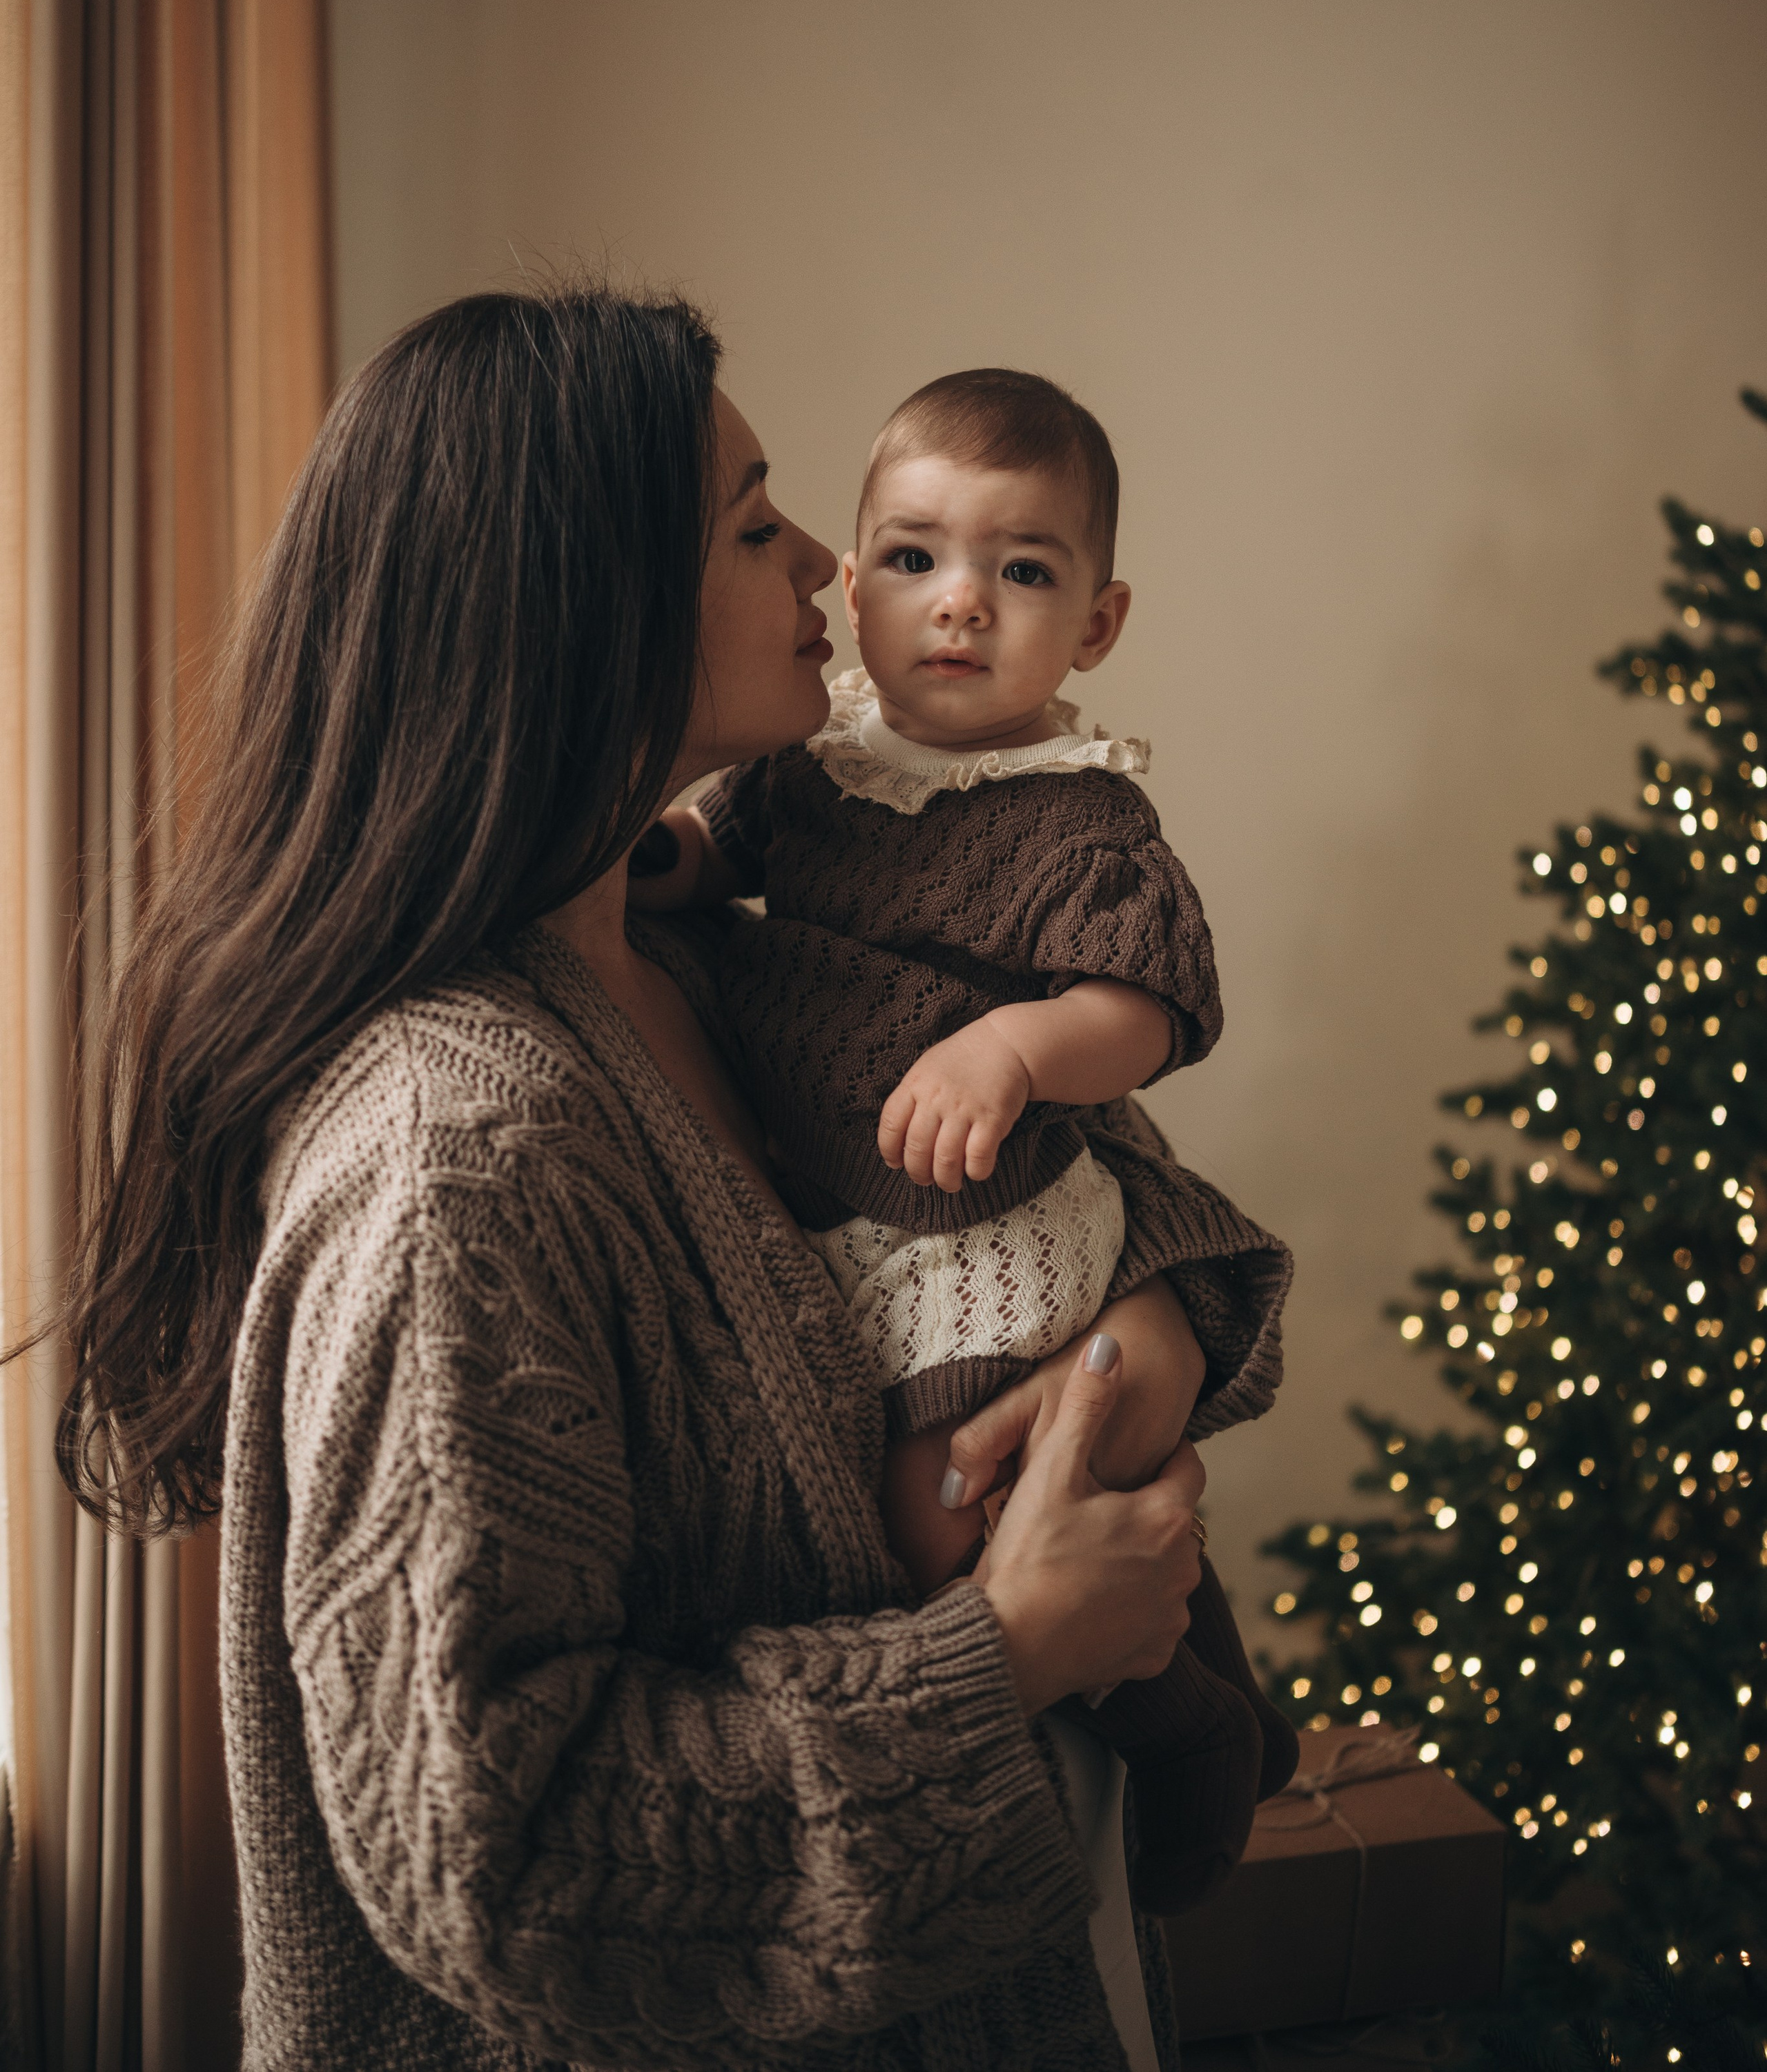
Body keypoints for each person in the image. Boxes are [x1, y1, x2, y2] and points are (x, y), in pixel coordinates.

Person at [55, 284, 1286, 2072]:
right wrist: (1005, 1650)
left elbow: (1074, 1151)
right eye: (754, 520)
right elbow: (506, 1858)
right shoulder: (460, 1158)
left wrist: (1144, 1334)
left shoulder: (704, 952)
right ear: (589, 615)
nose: (822, 567)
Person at [630, 368, 1297, 1913]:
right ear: (853, 588)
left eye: (1023, 572)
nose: (961, 606)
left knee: (941, 1514)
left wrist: (1015, 1043)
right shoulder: (811, 771)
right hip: (852, 1221)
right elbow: (702, 857)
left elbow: (1148, 1004)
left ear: (1098, 622)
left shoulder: (1075, 813)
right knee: (990, 1505)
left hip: (988, 1222)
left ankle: (1185, 1724)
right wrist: (641, 850)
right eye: (917, 559)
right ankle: (1194, 1679)